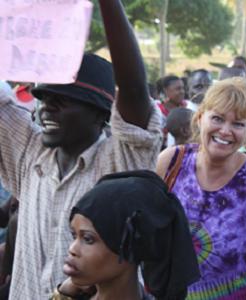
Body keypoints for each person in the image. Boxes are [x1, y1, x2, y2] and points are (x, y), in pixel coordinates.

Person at [0, 0, 162, 298]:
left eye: (61, 100)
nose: (46, 109)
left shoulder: (121, 164)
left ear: (101, 114)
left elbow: (134, 90)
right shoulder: (28, 152)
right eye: (44, 98)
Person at [156, 78, 246, 299]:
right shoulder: (171, 163)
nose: (225, 131)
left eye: (238, 124)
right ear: (200, 117)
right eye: (217, 119)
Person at [52, 170, 199, 300]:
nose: (72, 248)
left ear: (129, 248)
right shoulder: (71, 293)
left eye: (88, 239)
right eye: (74, 235)